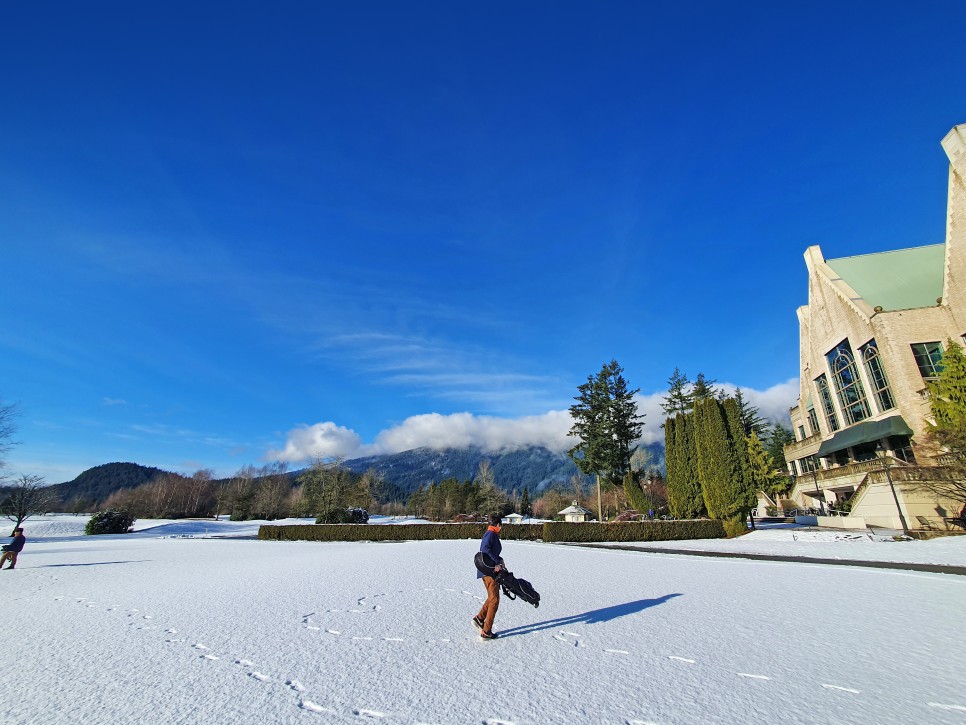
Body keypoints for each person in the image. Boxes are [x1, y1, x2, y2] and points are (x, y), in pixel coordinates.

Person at [473, 514, 504, 640]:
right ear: (497, 525)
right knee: (495, 600)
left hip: (487, 571)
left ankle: (480, 618)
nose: (501, 528)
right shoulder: (491, 534)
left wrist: (500, 560)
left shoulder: (491, 534)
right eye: (500, 526)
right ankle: (486, 631)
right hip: (489, 572)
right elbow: (485, 549)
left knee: (492, 597)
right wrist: (497, 562)